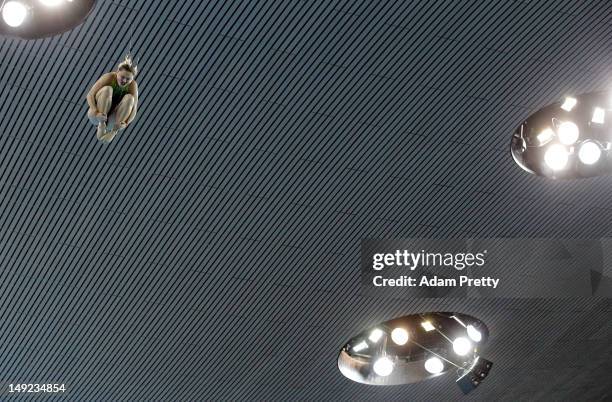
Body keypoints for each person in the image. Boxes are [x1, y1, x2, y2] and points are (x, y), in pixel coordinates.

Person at [87, 56, 139, 143]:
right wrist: (95, 111)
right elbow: (90, 95)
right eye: (122, 77)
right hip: (97, 115)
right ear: (117, 72)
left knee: (130, 98)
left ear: (132, 79)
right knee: (108, 89)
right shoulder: (109, 77)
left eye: (128, 79)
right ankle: (101, 124)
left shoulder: (133, 85)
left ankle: (114, 131)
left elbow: (134, 110)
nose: (124, 81)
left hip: (114, 120)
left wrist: (125, 124)